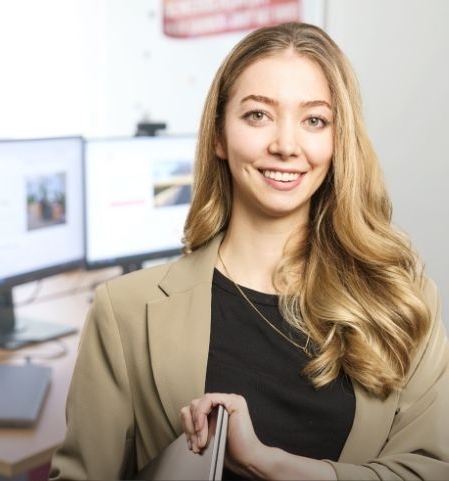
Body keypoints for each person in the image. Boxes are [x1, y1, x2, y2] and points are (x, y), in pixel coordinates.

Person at [49, 22, 449, 480]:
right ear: (219, 135)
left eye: (314, 120)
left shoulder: (406, 301)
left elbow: (431, 471)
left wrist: (268, 464)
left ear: (339, 142)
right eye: (258, 115)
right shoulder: (123, 312)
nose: (285, 145)